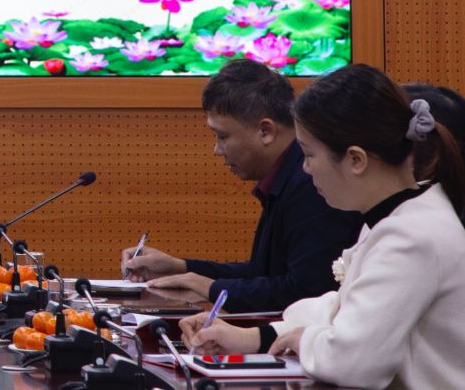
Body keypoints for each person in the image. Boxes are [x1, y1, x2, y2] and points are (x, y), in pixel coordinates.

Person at [183, 65, 465, 388]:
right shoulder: (397, 218)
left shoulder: (412, 237)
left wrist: (304, 339)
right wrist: (254, 337)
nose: (304, 169)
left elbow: (354, 361)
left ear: (355, 160)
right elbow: (342, 308)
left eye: (308, 155)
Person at [122, 58, 360, 311]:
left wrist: (210, 288)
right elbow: (263, 274)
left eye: (222, 136)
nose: (216, 150)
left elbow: (305, 293)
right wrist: (181, 268)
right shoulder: (287, 176)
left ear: (265, 131)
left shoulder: (312, 184)